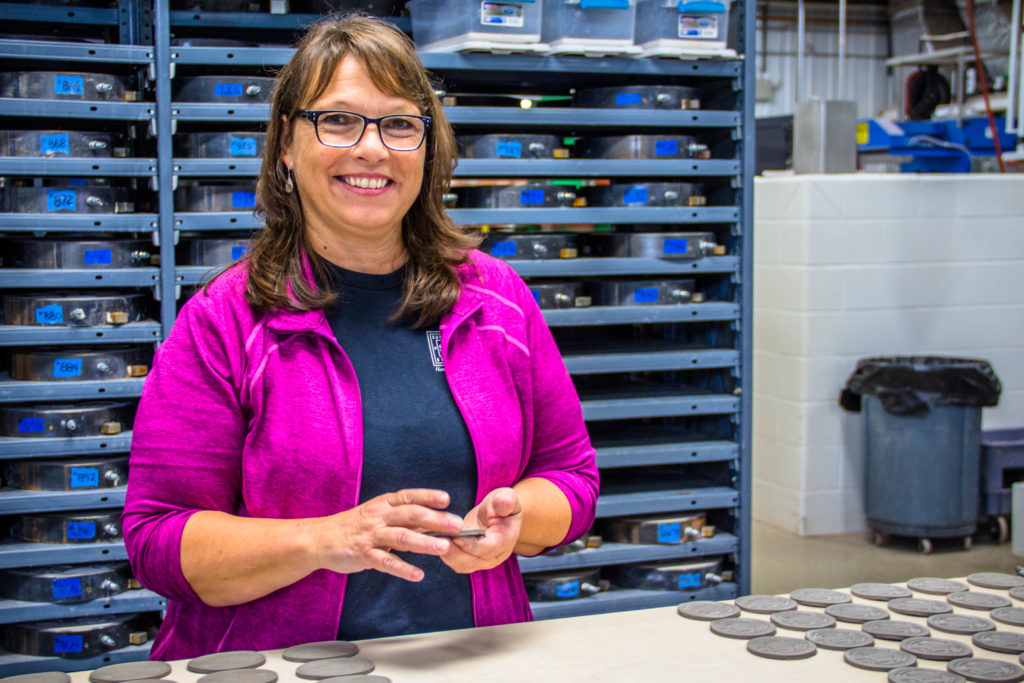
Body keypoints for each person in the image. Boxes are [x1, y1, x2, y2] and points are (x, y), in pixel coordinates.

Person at [122, 13, 599, 660]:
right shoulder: (225, 321)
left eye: (400, 124)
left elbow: (570, 478)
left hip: (469, 659)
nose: (371, 149)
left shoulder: (498, 301)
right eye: (339, 120)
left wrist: (517, 521)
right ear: (287, 145)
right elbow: (158, 541)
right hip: (281, 667)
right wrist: (325, 540)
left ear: (429, 148)